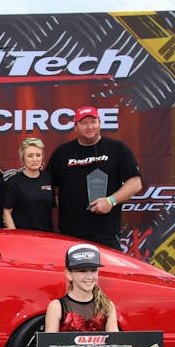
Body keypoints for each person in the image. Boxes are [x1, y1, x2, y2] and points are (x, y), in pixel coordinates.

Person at [29, 244, 170, 347]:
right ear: (69, 275)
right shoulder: (57, 307)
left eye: (93, 270)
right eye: (82, 271)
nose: (89, 276)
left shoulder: (107, 306)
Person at [46, 106, 142, 250]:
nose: (89, 127)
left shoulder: (117, 149)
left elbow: (135, 183)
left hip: (106, 233)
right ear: (75, 127)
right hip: (70, 233)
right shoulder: (62, 152)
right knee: (71, 266)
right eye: (84, 123)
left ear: (100, 123)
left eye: (93, 122)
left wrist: (110, 201)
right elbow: (45, 185)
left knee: (106, 265)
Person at [3, 137, 54, 232]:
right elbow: (7, 212)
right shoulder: (14, 181)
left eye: (38, 155)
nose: (35, 159)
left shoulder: (48, 178)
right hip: (24, 237)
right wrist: (14, 235)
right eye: (30, 156)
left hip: (46, 236)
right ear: (23, 159)